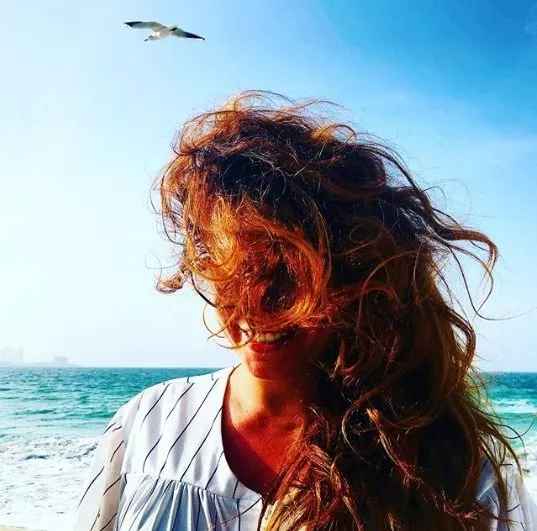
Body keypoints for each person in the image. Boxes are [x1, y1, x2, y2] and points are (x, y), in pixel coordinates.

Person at [74, 91, 537, 530]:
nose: (255, 306)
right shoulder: (147, 424)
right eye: (230, 270)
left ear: (352, 275)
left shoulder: (459, 471)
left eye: (284, 273)